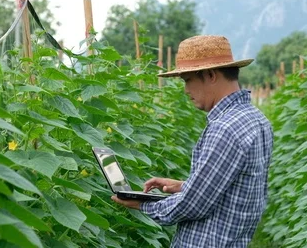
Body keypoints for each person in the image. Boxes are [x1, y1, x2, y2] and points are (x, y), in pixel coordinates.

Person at [111, 35, 274, 247]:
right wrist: (184, 186)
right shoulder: (257, 120)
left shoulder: (225, 128)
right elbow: (235, 186)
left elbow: (193, 205)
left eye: (188, 80)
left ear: (211, 75)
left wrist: (141, 205)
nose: (186, 90)